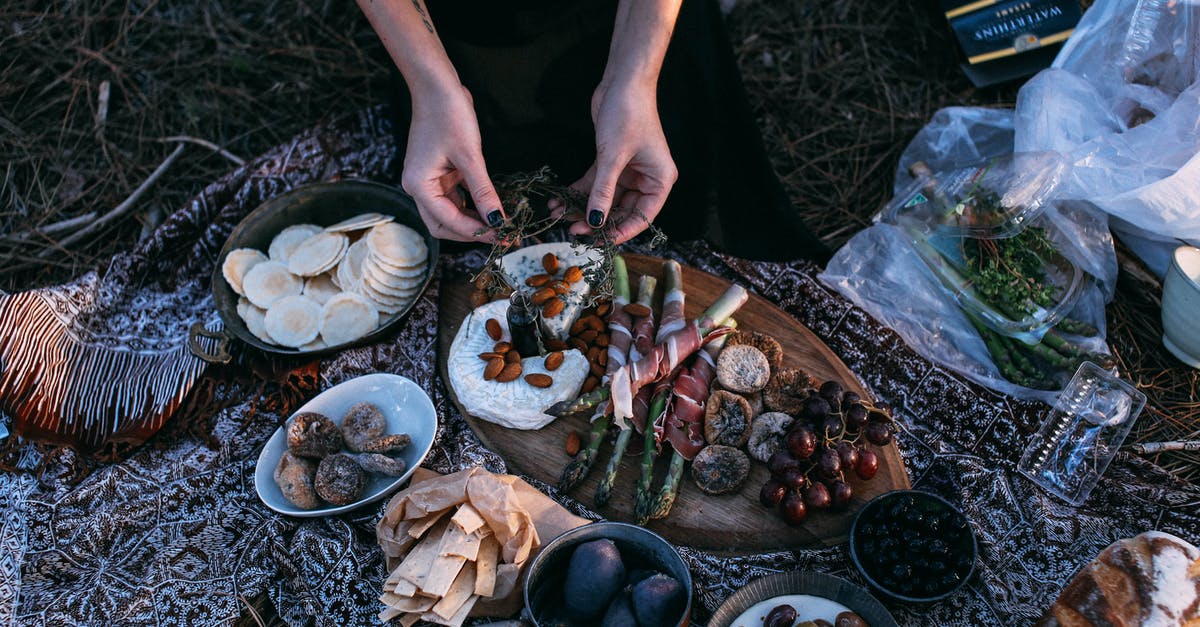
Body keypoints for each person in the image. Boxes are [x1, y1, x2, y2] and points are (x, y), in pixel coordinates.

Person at [357, 0, 829, 262]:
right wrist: (434, 88)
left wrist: (635, 78)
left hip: (636, 16)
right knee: (470, 214)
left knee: (688, 204)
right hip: (455, 27)